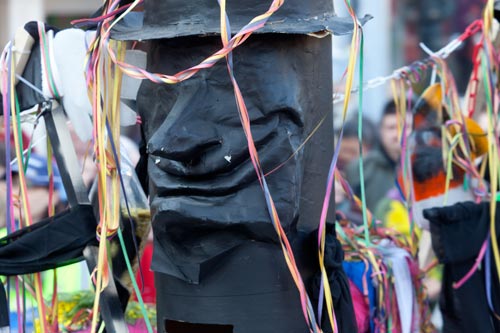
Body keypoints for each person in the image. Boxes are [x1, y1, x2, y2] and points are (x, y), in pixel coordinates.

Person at [345, 100, 409, 212]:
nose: (397, 134)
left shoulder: (432, 168)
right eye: (391, 127)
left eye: (404, 127)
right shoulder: (360, 169)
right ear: (381, 131)